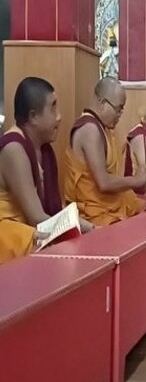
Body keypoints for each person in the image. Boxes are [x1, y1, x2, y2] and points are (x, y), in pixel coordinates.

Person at [0, 77, 92, 262]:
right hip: (8, 231)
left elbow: (52, 209)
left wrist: (84, 226)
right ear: (33, 116)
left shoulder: (44, 149)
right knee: (43, 243)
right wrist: (78, 227)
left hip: (28, 226)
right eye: (53, 108)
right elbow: (36, 217)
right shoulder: (14, 148)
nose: (59, 116)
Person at [64, 77, 146, 226]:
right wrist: (136, 180)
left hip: (109, 206)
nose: (120, 114)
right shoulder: (90, 129)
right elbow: (103, 182)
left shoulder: (104, 128)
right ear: (103, 103)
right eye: (118, 109)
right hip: (93, 213)